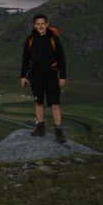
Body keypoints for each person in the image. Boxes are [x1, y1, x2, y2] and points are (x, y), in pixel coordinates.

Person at [20, 13, 68, 143]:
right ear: (34, 25)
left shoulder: (53, 39)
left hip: (51, 76)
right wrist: (23, 76)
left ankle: (59, 132)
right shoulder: (30, 39)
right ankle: (40, 128)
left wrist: (62, 76)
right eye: (38, 24)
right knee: (38, 102)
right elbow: (25, 58)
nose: (40, 26)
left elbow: (61, 58)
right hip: (35, 76)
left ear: (47, 24)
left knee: (55, 104)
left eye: (43, 23)